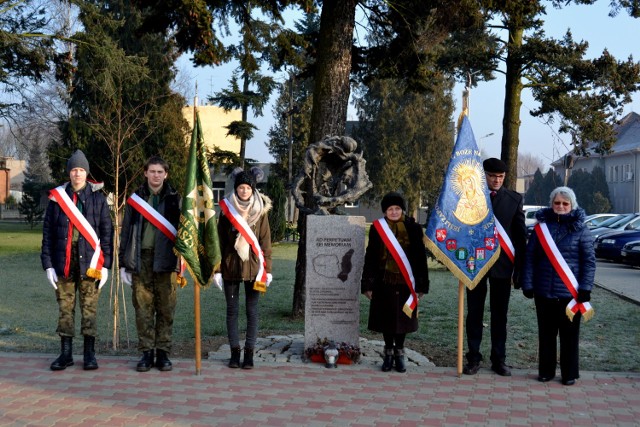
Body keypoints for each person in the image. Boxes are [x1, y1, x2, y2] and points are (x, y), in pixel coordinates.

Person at [41, 149, 113, 371]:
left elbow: (107, 233)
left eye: (81, 170)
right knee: (65, 309)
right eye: (74, 170)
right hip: (63, 262)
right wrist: (48, 265)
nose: (77, 174)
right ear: (69, 173)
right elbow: (48, 235)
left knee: (89, 309)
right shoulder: (57, 199)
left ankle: (89, 355)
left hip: (90, 264)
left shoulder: (98, 199)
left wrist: (107, 265)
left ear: (86, 172)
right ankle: (65, 354)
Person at [521, 187, 595, 386]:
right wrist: (527, 284)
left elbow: (589, 262)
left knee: (569, 336)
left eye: (565, 203)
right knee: (546, 334)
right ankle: (546, 371)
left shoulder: (582, 230)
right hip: (543, 291)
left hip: (571, 294)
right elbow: (529, 258)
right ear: (551, 204)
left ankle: (569, 373)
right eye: (557, 203)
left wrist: (586, 288)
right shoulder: (540, 229)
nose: (561, 206)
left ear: (572, 205)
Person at [463, 158, 527, 376]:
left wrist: (519, 269)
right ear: (484, 176)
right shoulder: (471, 198)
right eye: (492, 176)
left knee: (500, 315)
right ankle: (473, 357)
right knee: (474, 314)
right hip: (475, 264)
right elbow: (462, 231)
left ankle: (498, 359)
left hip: (502, 266)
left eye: (500, 177)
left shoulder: (514, 199)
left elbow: (520, 237)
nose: (496, 180)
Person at [119, 156, 181, 372]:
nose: (156, 175)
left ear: (166, 174)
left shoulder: (175, 199)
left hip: (167, 258)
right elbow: (126, 231)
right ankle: (146, 353)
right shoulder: (136, 199)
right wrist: (122, 263)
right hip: (141, 258)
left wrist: (183, 260)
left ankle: (163, 353)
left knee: (166, 308)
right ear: (145, 173)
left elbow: (184, 233)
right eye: (152, 171)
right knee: (143, 309)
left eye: (160, 172)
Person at [361, 192, 429, 373]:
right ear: (385, 211)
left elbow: (420, 258)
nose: (394, 212)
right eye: (390, 209)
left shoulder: (413, 228)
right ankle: (388, 352)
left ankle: (399, 352)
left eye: (397, 208)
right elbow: (371, 256)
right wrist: (367, 284)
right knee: (387, 318)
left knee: (403, 318)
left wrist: (421, 285)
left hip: (407, 281)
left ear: (402, 210)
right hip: (384, 280)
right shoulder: (378, 228)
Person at [214, 167, 272, 369]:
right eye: (241, 187)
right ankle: (234, 352)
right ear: (236, 188)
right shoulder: (226, 210)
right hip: (230, 267)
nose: (244, 191)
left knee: (252, 311)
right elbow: (219, 241)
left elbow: (265, 241)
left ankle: (249, 353)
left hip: (254, 269)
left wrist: (268, 269)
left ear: (252, 188)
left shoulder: (261, 211)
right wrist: (217, 269)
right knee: (232, 311)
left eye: (248, 187)